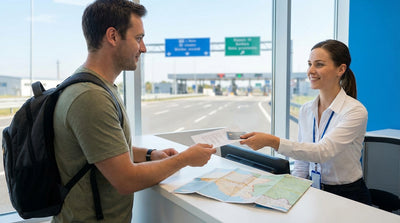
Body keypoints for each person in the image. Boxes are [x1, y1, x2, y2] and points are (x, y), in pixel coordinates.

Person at [52, 0, 216, 222]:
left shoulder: (96, 86)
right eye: (138, 38)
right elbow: (126, 180)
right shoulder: (90, 97)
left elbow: (106, 151)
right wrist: (185, 159)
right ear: (113, 36)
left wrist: (150, 155)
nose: (144, 48)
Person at [240, 39, 372, 205]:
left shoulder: (354, 111)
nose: (310, 70)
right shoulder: (306, 110)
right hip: (314, 189)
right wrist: (290, 194)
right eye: (309, 64)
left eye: (319, 64)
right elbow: (303, 161)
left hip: (348, 194)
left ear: (341, 69)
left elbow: (322, 152)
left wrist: (272, 141)